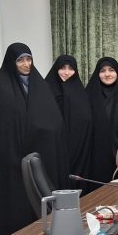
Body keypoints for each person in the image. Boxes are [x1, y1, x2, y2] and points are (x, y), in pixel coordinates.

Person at [0, 43, 68, 235]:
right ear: (11, 62)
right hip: (10, 160)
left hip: (40, 158)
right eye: (20, 60)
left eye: (29, 59)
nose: (26, 64)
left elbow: (54, 121)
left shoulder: (40, 85)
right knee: (15, 211)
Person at [44, 55, 92, 183]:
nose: (66, 72)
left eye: (71, 68)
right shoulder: (45, 90)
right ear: (56, 69)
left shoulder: (80, 92)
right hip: (54, 147)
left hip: (77, 149)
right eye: (62, 68)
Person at [85, 56, 118, 182]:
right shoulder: (88, 94)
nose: (107, 74)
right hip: (96, 150)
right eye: (103, 71)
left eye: (111, 70)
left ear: (117, 72)